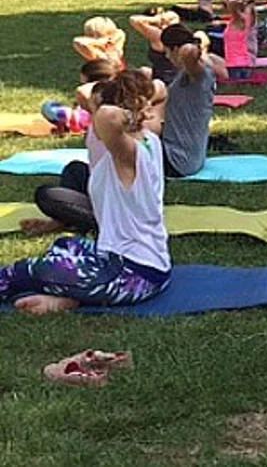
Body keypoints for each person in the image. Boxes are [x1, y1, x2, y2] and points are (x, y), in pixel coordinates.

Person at [2, 71, 173, 316]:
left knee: (32, 271)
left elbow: (106, 116)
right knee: (67, 245)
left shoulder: (129, 153)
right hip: (129, 263)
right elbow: (159, 88)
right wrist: (137, 100)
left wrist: (131, 109)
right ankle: (69, 298)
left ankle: (62, 294)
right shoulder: (150, 136)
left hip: (134, 275)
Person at [20, 62, 160, 237]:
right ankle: (65, 221)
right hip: (111, 191)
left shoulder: (116, 135)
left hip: (122, 210)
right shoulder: (144, 134)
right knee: (75, 170)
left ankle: (92, 222)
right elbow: (159, 89)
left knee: (46, 195)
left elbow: (84, 94)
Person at [159, 24, 227, 178]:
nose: (167, 57)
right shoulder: (190, 73)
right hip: (187, 157)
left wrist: (192, 47)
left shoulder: (199, 74)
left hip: (177, 160)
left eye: (168, 52)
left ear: (176, 49)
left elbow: (189, 54)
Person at [129, 8, 181, 84]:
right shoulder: (180, 33)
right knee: (144, 70)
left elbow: (133, 19)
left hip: (164, 79)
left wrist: (156, 19)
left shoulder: (158, 35)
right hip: (175, 76)